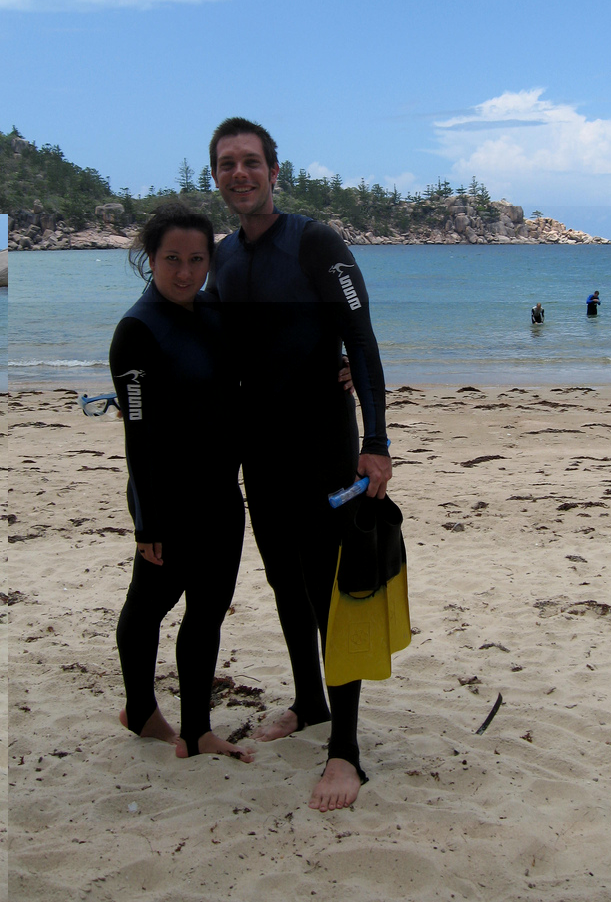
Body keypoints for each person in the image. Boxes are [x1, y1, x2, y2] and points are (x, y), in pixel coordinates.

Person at [206, 117, 392, 812]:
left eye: (251, 161)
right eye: (227, 163)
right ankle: (310, 702)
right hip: (259, 452)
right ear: (216, 176)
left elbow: (361, 340)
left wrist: (377, 441)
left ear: (274, 172)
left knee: (331, 593)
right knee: (286, 582)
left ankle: (345, 750)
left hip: (322, 449)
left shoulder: (315, 242)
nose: (240, 173)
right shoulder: (222, 257)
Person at [110, 205, 252, 762]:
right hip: (166, 501)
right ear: (150, 259)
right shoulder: (137, 331)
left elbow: (268, 357)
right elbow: (138, 436)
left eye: (197, 259)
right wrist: (147, 523)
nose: (185, 271)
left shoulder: (214, 309)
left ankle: (196, 731)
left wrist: (337, 363)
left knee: (208, 612)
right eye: (172, 258)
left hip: (221, 494)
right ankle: (141, 710)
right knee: (148, 607)